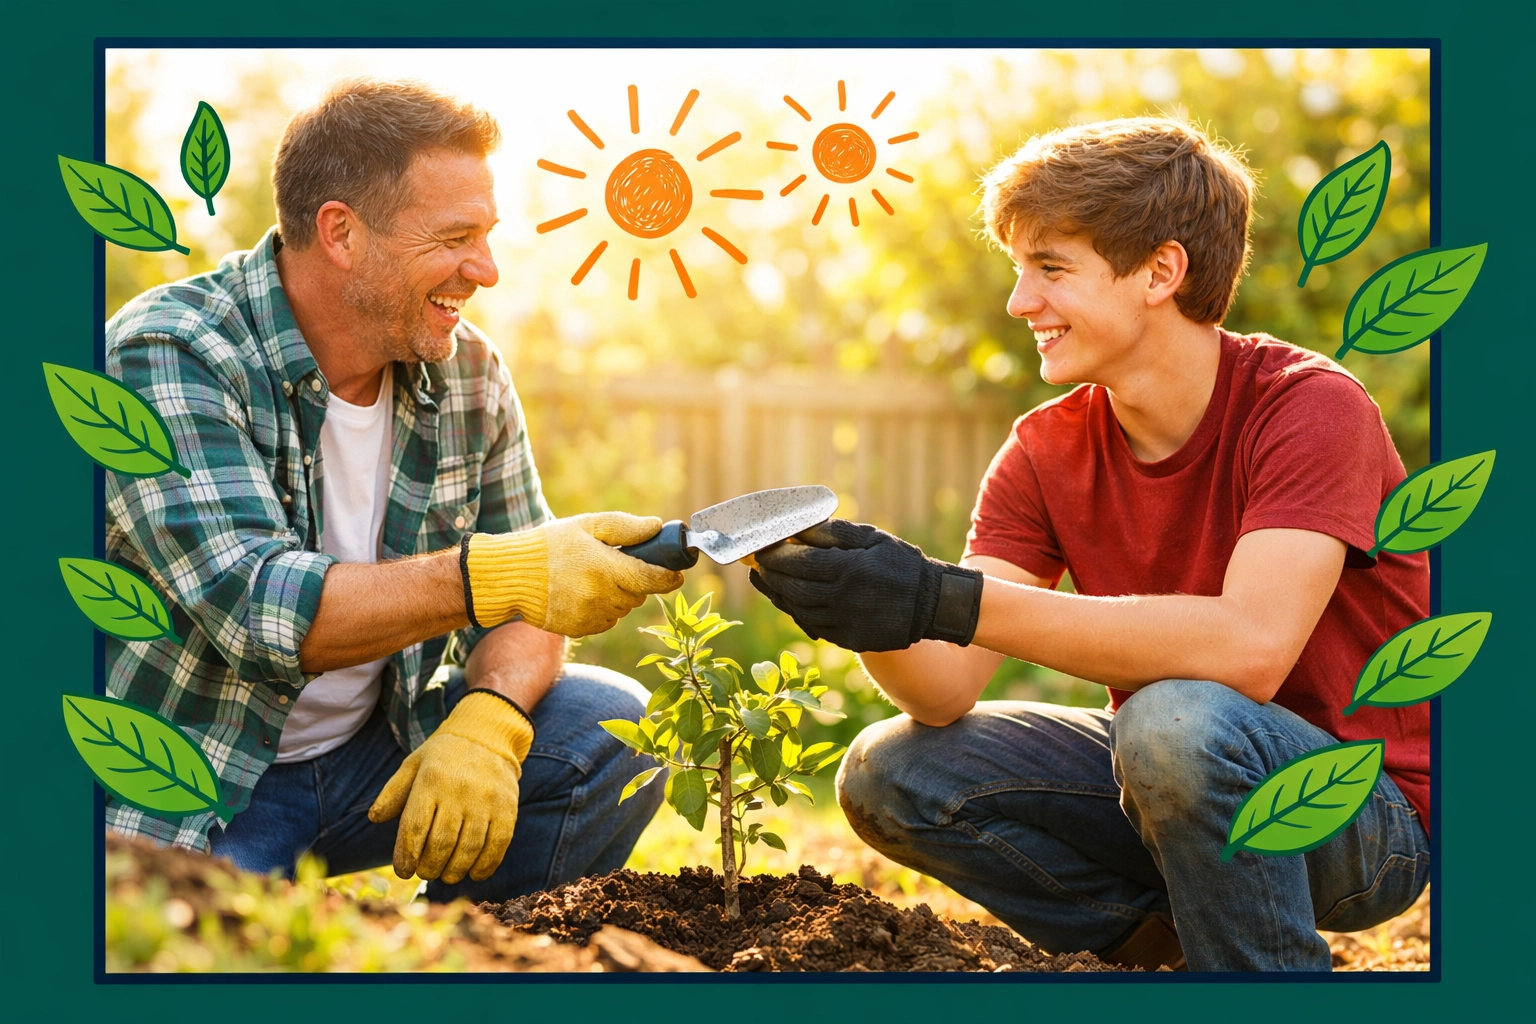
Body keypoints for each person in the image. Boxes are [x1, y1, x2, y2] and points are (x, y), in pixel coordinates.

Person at [751, 118, 1431, 972]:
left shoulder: (1309, 409)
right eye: (1018, 270)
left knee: (1173, 718)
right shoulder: (1047, 448)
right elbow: (940, 689)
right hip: (1168, 781)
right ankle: (1164, 951)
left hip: (1362, 820)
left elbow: (1251, 649)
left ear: (1160, 272)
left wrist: (946, 599)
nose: (1019, 301)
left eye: (1051, 268)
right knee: (891, 769)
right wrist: (856, 601)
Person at [103, 79, 683, 900]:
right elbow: (257, 610)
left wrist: (493, 720)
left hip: (372, 760)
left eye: (485, 235)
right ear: (341, 232)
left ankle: (481, 960)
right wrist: (493, 573)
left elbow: (533, 607)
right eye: (455, 236)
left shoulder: (469, 372)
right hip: (203, 783)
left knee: (607, 727)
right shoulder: (168, 355)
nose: (483, 268)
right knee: (184, 952)